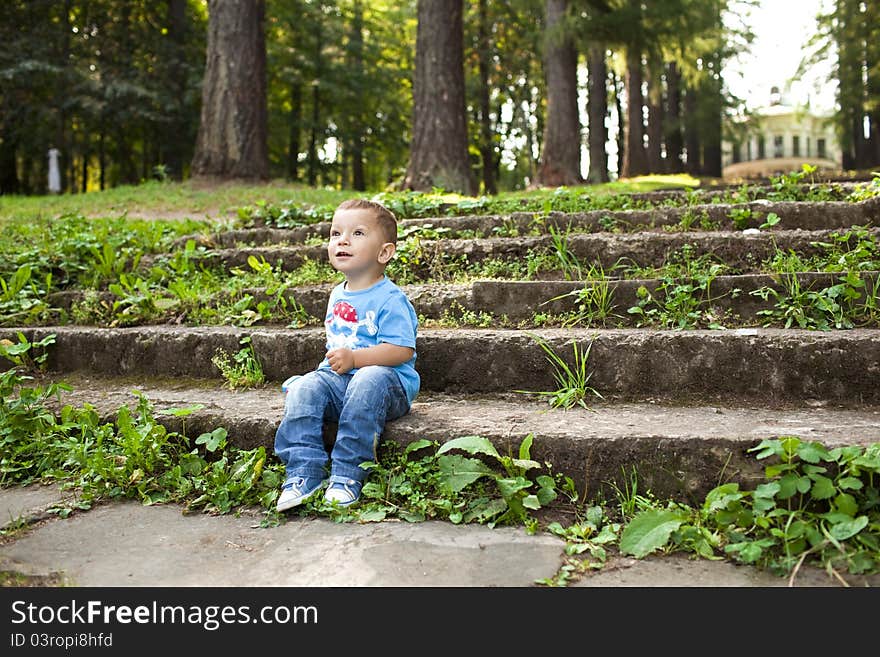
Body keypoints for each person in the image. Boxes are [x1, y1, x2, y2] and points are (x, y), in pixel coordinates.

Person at [274, 198, 419, 511]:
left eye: (357, 234)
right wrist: (317, 379)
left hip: (386, 386)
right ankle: (303, 472)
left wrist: (355, 360)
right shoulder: (338, 294)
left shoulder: (391, 299)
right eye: (335, 233)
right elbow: (338, 344)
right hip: (342, 383)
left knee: (368, 377)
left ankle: (347, 473)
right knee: (307, 386)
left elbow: (401, 350)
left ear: (384, 252)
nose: (342, 240)